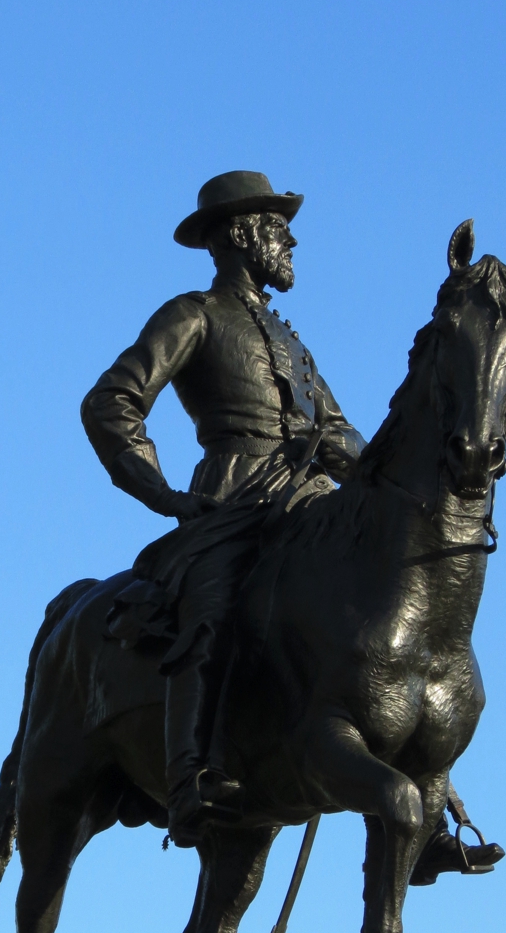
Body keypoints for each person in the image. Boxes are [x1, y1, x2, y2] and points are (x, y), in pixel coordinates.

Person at [81, 171, 365, 844]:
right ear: (240, 234)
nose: (290, 239)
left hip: (308, 500)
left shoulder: (293, 342)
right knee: (213, 607)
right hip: (234, 501)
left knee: (379, 601)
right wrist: (162, 491)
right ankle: (189, 778)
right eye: (276, 226)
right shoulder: (195, 314)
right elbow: (112, 400)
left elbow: (343, 433)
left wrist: (375, 464)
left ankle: (425, 784)